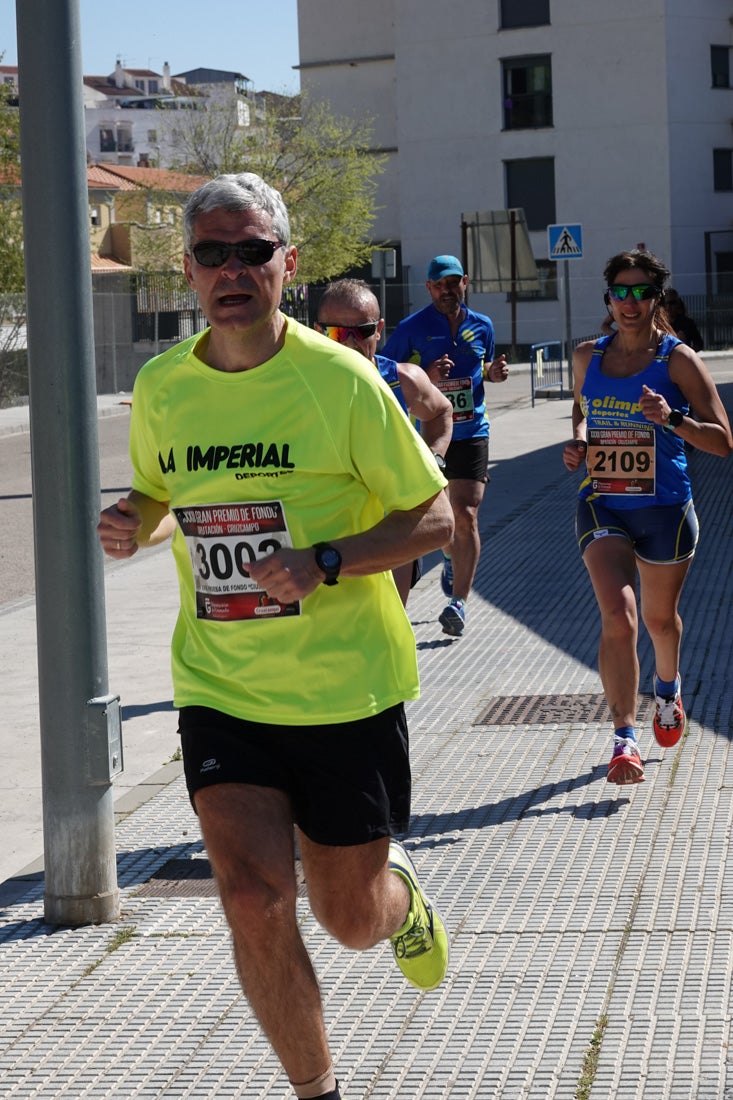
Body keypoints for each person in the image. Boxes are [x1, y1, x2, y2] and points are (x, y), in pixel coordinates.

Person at [97, 173, 454, 1100]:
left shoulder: (340, 380)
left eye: (252, 251)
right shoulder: (163, 386)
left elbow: (435, 519)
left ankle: (398, 899)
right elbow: (162, 492)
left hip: (346, 691)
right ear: (187, 271)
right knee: (251, 898)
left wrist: (324, 559)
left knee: (348, 920)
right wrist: (133, 518)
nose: (232, 270)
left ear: (284, 266)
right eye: (212, 253)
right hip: (223, 687)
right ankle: (317, 1093)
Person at [562, 248, 731, 786]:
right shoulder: (587, 355)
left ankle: (668, 688)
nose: (630, 302)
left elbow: (724, 442)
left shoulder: (678, 360)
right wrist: (580, 443)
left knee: (659, 621)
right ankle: (624, 738)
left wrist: (673, 417)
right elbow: (582, 410)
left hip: (664, 508)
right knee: (619, 614)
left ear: (657, 299)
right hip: (603, 500)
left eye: (642, 292)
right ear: (608, 298)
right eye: (621, 291)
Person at [383, 254, 509, 637]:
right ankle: (451, 553)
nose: (446, 290)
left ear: (465, 282)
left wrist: (493, 373)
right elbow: (382, 373)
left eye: (452, 283)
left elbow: (483, 366)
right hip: (430, 433)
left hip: (472, 430)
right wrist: (426, 379)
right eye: (438, 285)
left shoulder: (482, 325)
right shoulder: (411, 329)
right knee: (440, 517)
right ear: (429, 288)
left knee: (466, 512)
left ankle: (459, 603)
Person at [314, 277, 453, 605]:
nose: (349, 343)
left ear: (378, 329)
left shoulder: (403, 380)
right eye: (337, 333)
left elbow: (440, 413)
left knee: (392, 621)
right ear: (319, 331)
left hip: (394, 527)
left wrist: (433, 459)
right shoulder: (302, 387)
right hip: (330, 530)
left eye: (360, 331)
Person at [664, 287, 704, 352]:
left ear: (677, 304)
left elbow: (699, 344)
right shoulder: (657, 324)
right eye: (665, 303)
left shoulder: (687, 323)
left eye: (672, 303)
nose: (668, 307)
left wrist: (688, 351)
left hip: (681, 359)